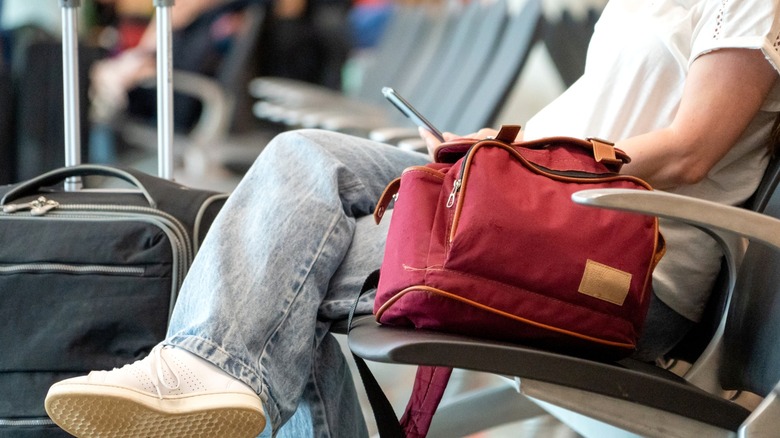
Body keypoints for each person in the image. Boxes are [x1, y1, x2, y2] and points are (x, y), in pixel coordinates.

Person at [44, 0, 780, 437]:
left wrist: (525, 165)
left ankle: (211, 366)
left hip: (623, 255)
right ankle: (206, 363)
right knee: (304, 159)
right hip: (546, 201)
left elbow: (688, 151)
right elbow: (604, 115)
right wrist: (495, 146)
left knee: (294, 266)